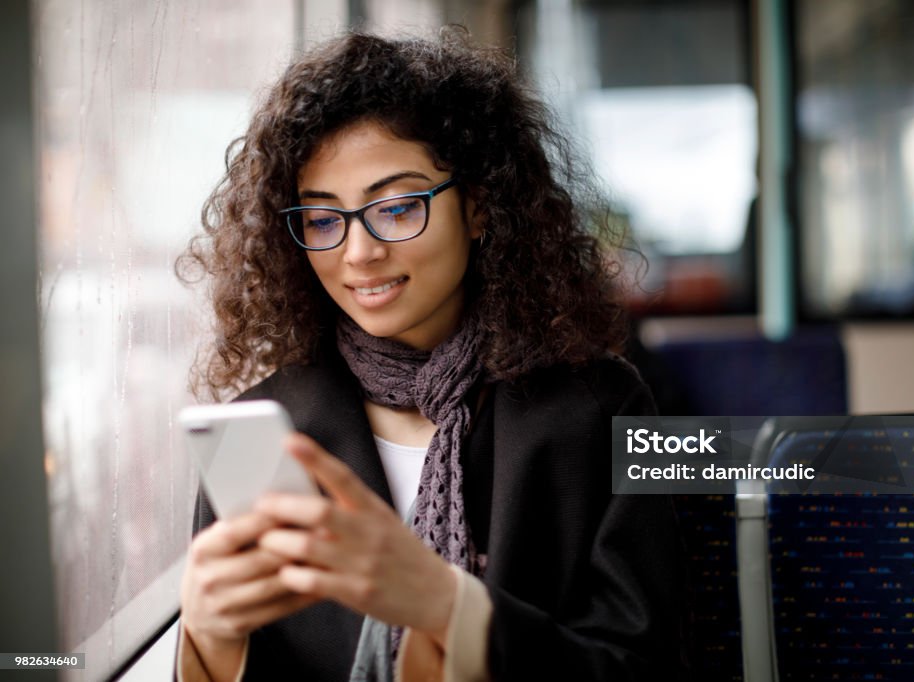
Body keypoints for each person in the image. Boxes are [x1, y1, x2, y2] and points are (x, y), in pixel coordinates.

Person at [175, 27, 685, 682]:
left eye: (396, 207)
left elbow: (646, 667)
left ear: (477, 207)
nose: (358, 253)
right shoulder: (263, 426)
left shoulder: (602, 409)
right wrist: (212, 642)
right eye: (324, 219)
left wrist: (448, 608)